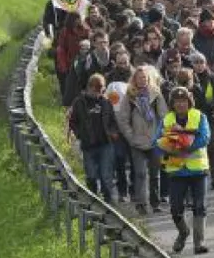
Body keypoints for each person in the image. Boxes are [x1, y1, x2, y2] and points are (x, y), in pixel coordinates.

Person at [155, 86, 211, 255]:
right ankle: (183, 232)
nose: (180, 104)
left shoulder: (199, 116)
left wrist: (186, 147)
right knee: (176, 208)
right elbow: (157, 141)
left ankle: (199, 242)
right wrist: (170, 148)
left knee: (200, 206)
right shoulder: (166, 120)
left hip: (198, 170)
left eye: (184, 101)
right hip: (177, 171)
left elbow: (204, 137)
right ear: (172, 103)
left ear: (189, 102)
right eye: (177, 102)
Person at [115, 65, 167, 216]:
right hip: (137, 141)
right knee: (139, 173)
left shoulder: (156, 94)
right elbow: (123, 119)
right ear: (134, 80)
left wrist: (160, 135)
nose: (142, 80)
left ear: (148, 79)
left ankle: (155, 203)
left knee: (154, 174)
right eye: (139, 78)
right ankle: (141, 204)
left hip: (154, 140)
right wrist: (131, 137)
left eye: (144, 77)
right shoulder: (129, 96)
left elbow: (164, 116)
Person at [68, 73, 119, 203]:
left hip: (105, 144)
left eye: (100, 91)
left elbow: (113, 121)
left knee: (106, 175)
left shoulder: (106, 102)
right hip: (88, 145)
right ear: (89, 87)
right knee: (91, 175)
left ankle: (109, 202)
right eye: (95, 90)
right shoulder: (79, 102)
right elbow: (73, 121)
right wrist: (80, 134)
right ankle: (94, 199)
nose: (98, 93)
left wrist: (113, 132)